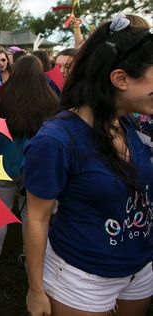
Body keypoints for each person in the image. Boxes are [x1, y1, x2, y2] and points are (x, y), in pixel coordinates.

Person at [24, 14, 153, 316]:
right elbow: (37, 218)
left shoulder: (134, 124)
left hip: (140, 269)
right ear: (120, 79)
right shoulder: (56, 140)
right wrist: (36, 289)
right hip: (80, 278)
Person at [0, 55, 59, 273]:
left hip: (5, 162)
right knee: (33, 216)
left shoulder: (5, 97)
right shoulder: (51, 101)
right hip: (35, 165)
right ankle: (29, 259)